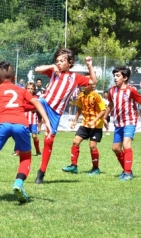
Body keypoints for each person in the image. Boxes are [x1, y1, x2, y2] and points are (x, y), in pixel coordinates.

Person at [0, 61, 51, 204]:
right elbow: (37, 103)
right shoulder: (21, 90)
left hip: (2, 124)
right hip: (21, 124)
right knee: (26, 157)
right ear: (14, 78)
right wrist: (47, 121)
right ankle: (19, 183)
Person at [33, 48, 97, 184]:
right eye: (57, 61)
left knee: (49, 141)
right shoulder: (53, 71)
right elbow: (37, 69)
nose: (59, 63)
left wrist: (89, 66)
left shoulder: (75, 77)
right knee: (35, 101)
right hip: (45, 102)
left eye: (62, 61)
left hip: (56, 113)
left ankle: (41, 173)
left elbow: (93, 81)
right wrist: (52, 66)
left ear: (70, 63)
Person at [104, 66, 141, 181]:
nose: (115, 78)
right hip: (118, 123)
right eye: (114, 75)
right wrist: (105, 117)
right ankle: (127, 170)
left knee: (126, 144)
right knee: (115, 148)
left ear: (125, 78)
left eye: (118, 76)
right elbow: (111, 104)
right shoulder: (112, 90)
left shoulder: (131, 90)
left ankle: (127, 173)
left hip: (130, 121)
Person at [62, 80, 106, 176]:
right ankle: (73, 166)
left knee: (92, 146)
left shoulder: (96, 96)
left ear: (91, 85)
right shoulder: (81, 95)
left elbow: (103, 110)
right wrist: (74, 121)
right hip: (85, 124)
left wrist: (94, 121)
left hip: (96, 125)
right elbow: (79, 109)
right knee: (75, 142)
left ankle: (95, 168)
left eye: (86, 83)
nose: (83, 85)